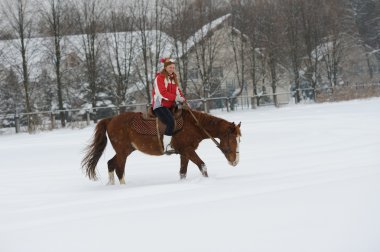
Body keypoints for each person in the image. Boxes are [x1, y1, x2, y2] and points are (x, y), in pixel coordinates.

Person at [152, 57, 186, 153]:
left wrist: (183, 99)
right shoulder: (160, 78)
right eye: (170, 67)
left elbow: (178, 91)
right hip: (160, 105)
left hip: (170, 105)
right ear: (165, 68)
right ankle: (167, 147)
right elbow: (162, 93)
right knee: (170, 121)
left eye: (173, 67)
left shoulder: (173, 78)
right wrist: (176, 98)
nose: (172, 69)